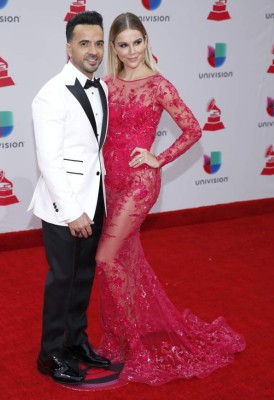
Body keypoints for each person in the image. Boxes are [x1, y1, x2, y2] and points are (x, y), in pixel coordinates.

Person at [95, 12, 246, 385]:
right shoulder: (105, 84)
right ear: (113, 47)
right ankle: (120, 337)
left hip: (140, 183)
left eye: (138, 42)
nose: (132, 51)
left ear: (147, 41)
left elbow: (193, 128)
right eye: (123, 44)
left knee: (106, 258)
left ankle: (132, 343)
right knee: (125, 260)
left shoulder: (159, 85)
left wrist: (157, 158)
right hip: (109, 184)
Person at [28, 11, 110, 385]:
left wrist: (91, 207)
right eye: (83, 43)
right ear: (69, 48)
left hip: (94, 201)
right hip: (65, 210)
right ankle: (50, 354)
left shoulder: (102, 87)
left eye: (97, 43)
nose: (92, 51)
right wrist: (73, 211)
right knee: (62, 279)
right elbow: (49, 161)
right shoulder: (50, 94)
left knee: (83, 278)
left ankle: (76, 342)